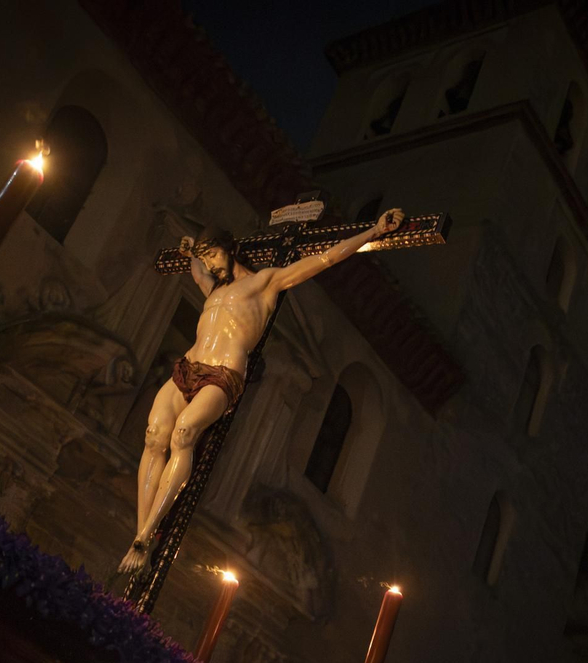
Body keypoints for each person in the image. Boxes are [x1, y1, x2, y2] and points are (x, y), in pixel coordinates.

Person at [121, 207, 407, 572]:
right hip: (187, 369)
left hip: (222, 374)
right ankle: (140, 532)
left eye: (213, 255)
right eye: (206, 259)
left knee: (183, 434)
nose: (209, 265)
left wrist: (371, 231)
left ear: (230, 248)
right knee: (153, 435)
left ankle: (147, 535)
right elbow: (195, 269)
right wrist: (191, 250)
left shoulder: (265, 282)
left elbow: (324, 258)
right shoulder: (212, 286)